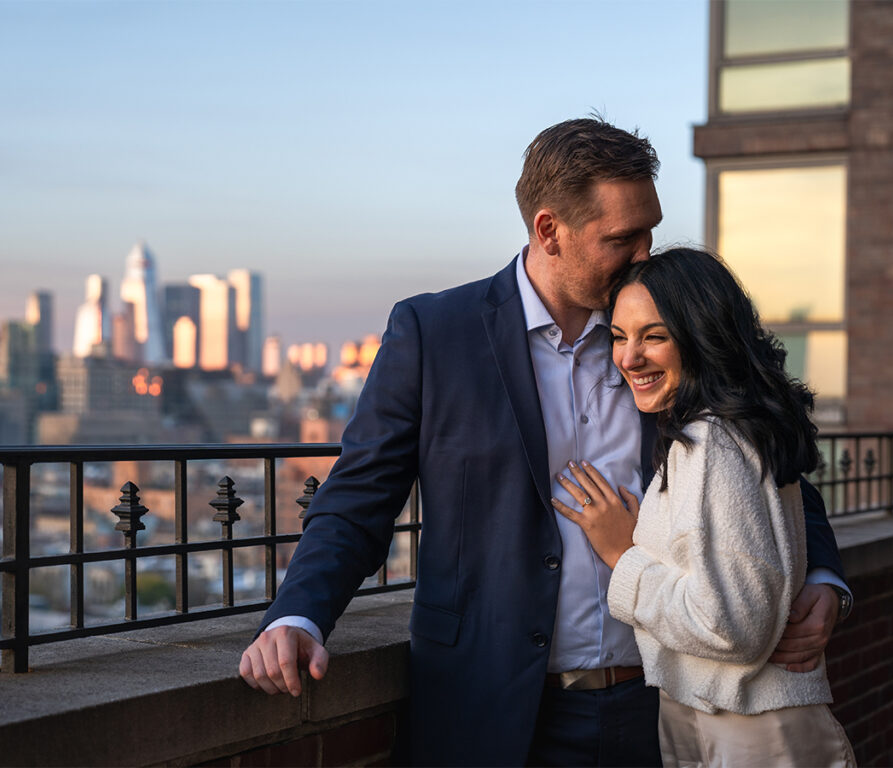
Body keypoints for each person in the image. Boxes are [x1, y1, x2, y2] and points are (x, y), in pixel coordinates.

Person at [239, 118, 850, 766]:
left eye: (650, 231)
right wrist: (296, 616)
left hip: (662, 709)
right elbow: (358, 496)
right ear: (549, 230)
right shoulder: (434, 333)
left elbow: (754, 452)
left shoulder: (665, 341)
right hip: (492, 716)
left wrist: (821, 574)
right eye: (622, 238)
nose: (646, 255)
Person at [553, 248, 855, 767]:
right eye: (620, 337)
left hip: (746, 726)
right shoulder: (727, 425)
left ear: (701, 335)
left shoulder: (710, 438)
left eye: (654, 336)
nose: (628, 358)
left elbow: (731, 627)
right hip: (719, 714)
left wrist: (623, 556)